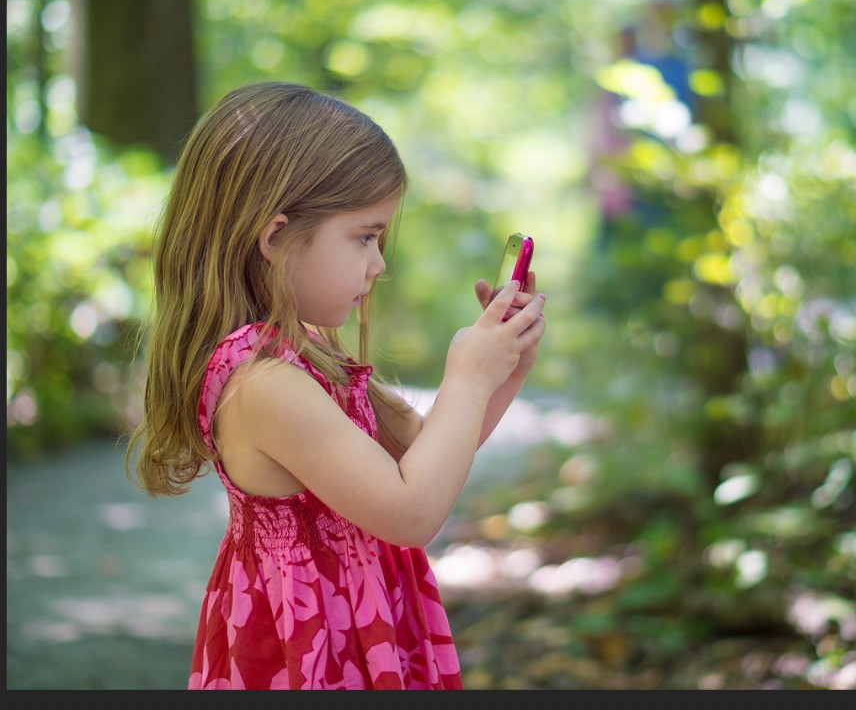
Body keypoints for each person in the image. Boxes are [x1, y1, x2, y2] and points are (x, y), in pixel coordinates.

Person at [124, 81, 546, 690]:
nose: (379, 264)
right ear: (275, 238)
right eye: (365, 236)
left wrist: (502, 373)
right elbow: (409, 513)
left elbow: (420, 458)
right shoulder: (262, 382)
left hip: (356, 625)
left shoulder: (304, 348)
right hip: (314, 650)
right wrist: (465, 376)